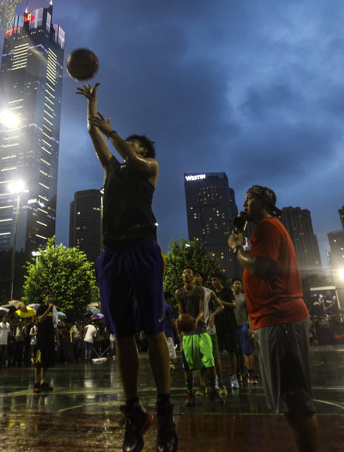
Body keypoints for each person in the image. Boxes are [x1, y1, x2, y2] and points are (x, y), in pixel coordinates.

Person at [77, 82, 177, 452]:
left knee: (152, 330)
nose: (124, 148)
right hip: (112, 253)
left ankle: (165, 413)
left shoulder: (148, 166)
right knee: (121, 335)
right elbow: (92, 131)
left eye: (132, 144)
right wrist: (92, 104)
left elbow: (128, 155)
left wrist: (114, 131)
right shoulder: (111, 170)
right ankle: (135, 414)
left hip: (142, 247)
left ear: (143, 149)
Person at [228, 185, 319, 452]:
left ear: (262, 202)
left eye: (249, 200)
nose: (244, 206)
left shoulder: (268, 227)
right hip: (273, 319)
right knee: (291, 399)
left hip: (280, 318)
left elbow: (259, 267)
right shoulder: (264, 232)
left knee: (295, 397)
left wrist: (236, 249)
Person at [175, 267, 219, 406]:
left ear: (194, 277)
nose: (186, 274)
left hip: (201, 330)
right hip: (188, 334)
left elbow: (201, 311)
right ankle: (190, 394)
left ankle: (213, 390)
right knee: (187, 366)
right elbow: (181, 313)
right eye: (184, 272)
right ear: (182, 277)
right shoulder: (179, 293)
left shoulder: (200, 291)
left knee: (210, 361)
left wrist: (195, 321)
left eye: (189, 272)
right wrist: (180, 325)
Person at [232, 279, 257, 385]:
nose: (237, 285)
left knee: (247, 351)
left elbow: (249, 313)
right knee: (236, 352)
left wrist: (250, 327)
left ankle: (250, 374)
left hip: (243, 326)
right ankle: (239, 372)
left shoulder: (244, 297)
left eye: (239, 283)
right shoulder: (229, 297)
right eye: (236, 283)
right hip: (233, 327)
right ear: (232, 285)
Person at [33, 293, 58, 392]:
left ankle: (43, 382)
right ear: (45, 298)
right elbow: (40, 320)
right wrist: (48, 310)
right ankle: (36, 382)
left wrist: (57, 338)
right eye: (49, 297)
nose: (50, 298)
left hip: (49, 338)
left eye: (52, 297)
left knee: (46, 361)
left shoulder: (54, 310)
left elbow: (54, 324)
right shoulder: (41, 308)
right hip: (41, 338)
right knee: (39, 361)